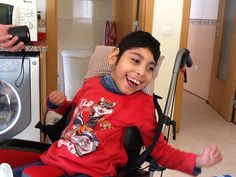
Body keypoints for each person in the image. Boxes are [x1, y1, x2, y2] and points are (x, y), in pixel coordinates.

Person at [13, 31, 222, 177]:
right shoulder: (92, 84)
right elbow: (74, 111)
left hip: (92, 172)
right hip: (56, 157)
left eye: (150, 68)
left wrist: (195, 161)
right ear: (114, 57)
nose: (142, 72)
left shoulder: (142, 104)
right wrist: (55, 103)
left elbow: (158, 149)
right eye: (135, 60)